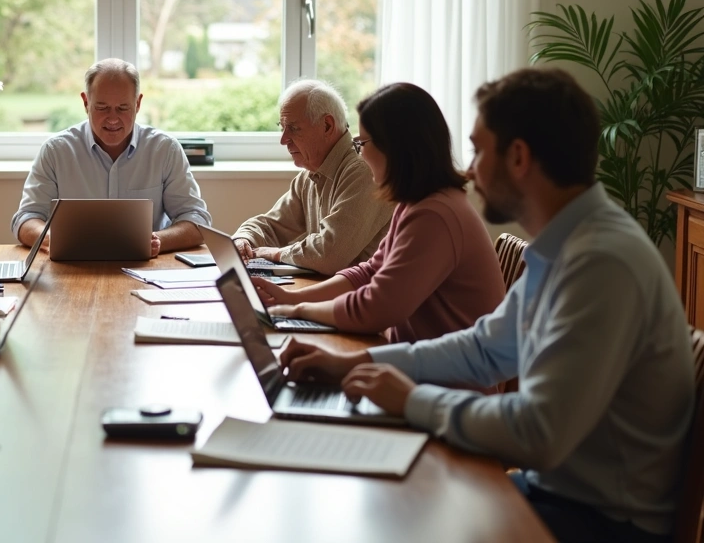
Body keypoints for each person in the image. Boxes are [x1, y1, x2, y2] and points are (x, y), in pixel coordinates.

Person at [279, 68, 693, 542]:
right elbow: (482, 349)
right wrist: (353, 364)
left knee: (386, 521)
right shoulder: (569, 244)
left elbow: (539, 433)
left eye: (478, 149)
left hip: (601, 522)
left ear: (518, 157)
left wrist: (412, 399)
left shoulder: (601, 262)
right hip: (556, 494)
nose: (469, 169)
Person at [255, 83, 504, 343]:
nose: (359, 154)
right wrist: (291, 298)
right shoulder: (416, 203)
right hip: (414, 361)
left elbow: (377, 309)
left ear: (394, 147)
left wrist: (297, 310)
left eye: (361, 143)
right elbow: (370, 271)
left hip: (445, 378)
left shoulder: (436, 214)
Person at [11, 58, 212, 256]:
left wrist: (158, 241)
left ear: (138, 103)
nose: (113, 118)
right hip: (72, 268)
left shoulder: (165, 150)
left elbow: (197, 221)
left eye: (123, 108)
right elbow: (26, 219)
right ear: (86, 102)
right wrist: (51, 240)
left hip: (148, 270)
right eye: (102, 107)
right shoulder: (56, 152)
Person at [232, 79, 393, 274]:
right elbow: (271, 225)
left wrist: (274, 253)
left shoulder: (364, 171)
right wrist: (243, 239)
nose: (283, 140)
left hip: (362, 297)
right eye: (282, 127)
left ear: (327, 126)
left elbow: (330, 255)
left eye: (293, 128)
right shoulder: (309, 176)